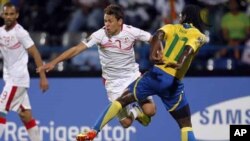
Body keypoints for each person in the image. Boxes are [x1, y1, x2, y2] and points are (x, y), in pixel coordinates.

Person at [76, 4, 208, 141]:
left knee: (121, 101)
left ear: (185, 16)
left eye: (181, 15)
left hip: (155, 76)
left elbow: (157, 35)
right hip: (173, 83)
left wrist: (153, 54)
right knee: (185, 125)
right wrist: (180, 62)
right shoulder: (200, 36)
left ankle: (93, 131)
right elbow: (188, 49)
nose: (179, 17)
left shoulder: (171, 27)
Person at [37, 4, 156, 129]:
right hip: (114, 83)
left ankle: (137, 110)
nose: (107, 24)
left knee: (150, 111)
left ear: (120, 21)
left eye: (110, 21)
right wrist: (54, 62)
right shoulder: (100, 35)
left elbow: (153, 39)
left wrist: (158, 53)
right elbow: (77, 49)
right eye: (105, 21)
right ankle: (134, 111)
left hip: (133, 77)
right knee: (126, 123)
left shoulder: (131, 31)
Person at [0, 2, 49, 141]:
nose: (8, 17)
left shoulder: (20, 33)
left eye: (11, 14)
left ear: (17, 15)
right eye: (6, 14)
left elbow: (35, 53)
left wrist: (43, 77)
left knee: (0, 111)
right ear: (2, 14)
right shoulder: (1, 31)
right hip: (10, 79)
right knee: (25, 115)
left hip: (17, 80)